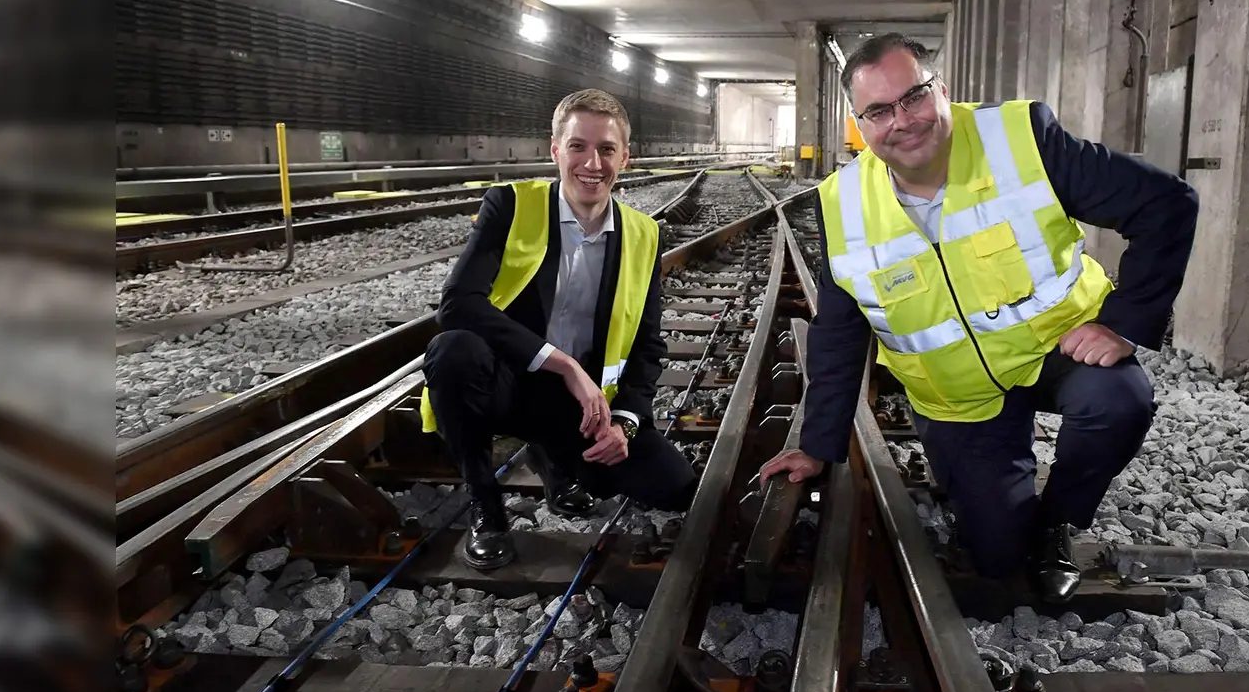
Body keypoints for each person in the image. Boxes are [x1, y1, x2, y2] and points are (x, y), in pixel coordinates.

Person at [758, 34, 1198, 604]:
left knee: (1119, 401)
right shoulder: (842, 203)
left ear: (941, 89)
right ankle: (1009, 515)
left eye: (914, 97)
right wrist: (817, 445)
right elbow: (840, 332)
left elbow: (1166, 202)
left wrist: (1124, 323)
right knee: (997, 557)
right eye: (879, 111)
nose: (902, 121)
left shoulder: (1021, 140)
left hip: (1055, 351)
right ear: (860, 125)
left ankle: (1060, 522)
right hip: (959, 397)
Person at [418, 88, 698, 570]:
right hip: (505, 383)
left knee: (672, 487)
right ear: (555, 150)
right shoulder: (509, 206)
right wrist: (564, 365)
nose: (592, 163)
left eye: (606, 149)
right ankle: (486, 507)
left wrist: (626, 421)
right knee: (453, 351)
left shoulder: (643, 233)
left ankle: (552, 458)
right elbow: (457, 303)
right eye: (578, 146)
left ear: (625, 158)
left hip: (576, 407)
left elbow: (648, 342)